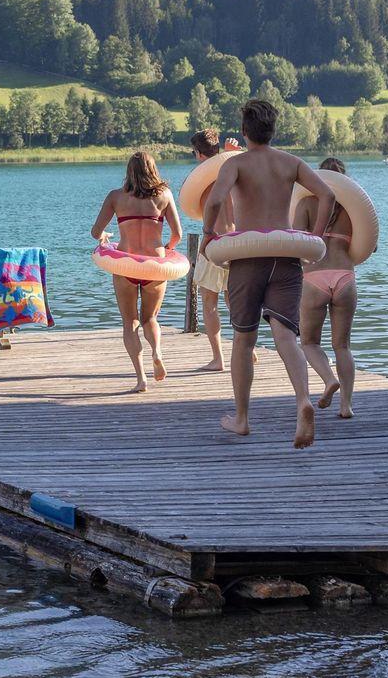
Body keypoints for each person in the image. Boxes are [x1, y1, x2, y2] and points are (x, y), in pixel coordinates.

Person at [201, 99, 333, 448]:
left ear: (244, 131)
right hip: (285, 258)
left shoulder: (236, 163)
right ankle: (302, 400)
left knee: (244, 340)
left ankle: (242, 419)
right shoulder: (291, 163)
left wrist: (209, 234)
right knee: (286, 337)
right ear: (273, 130)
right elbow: (328, 194)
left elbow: (215, 200)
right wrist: (316, 237)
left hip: (248, 260)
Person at [90, 150, 184, 393]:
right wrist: (168, 249)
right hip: (155, 265)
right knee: (150, 318)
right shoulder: (164, 195)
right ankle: (157, 352)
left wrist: (104, 237)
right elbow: (177, 234)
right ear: (153, 169)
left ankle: (141, 378)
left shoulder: (116, 197)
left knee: (130, 321)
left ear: (129, 171)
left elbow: (95, 231)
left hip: (126, 263)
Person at [295, 155, 360, 418]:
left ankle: (328, 378)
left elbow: (296, 243)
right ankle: (346, 406)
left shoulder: (306, 204)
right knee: (342, 346)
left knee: (309, 342)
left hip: (314, 277)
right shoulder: (354, 209)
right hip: (345, 277)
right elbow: (371, 245)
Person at [186, 129, 229, 372]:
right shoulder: (233, 176)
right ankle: (249, 349)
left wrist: (203, 248)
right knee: (235, 302)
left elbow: (209, 225)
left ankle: (218, 358)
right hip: (238, 243)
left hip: (215, 243)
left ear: (199, 154)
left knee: (209, 302)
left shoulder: (203, 186)